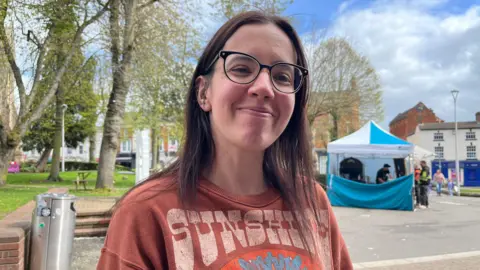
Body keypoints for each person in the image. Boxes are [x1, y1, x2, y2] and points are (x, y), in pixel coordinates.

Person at [97, 11, 352, 270]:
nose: (264, 87)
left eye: (282, 76)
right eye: (241, 69)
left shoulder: (312, 200)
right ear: (203, 93)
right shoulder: (146, 213)